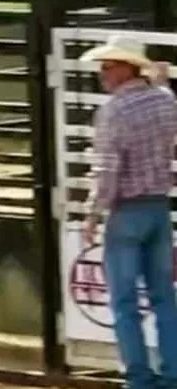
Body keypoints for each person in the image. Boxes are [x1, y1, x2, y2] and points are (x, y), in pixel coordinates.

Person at [80, 34, 177, 389]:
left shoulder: (113, 112)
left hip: (127, 213)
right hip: (157, 208)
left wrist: (92, 214)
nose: (102, 74)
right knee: (164, 297)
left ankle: (139, 378)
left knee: (124, 302)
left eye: (108, 67)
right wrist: (162, 80)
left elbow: (107, 171)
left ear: (126, 68)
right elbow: (167, 102)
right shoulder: (165, 101)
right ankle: (173, 376)